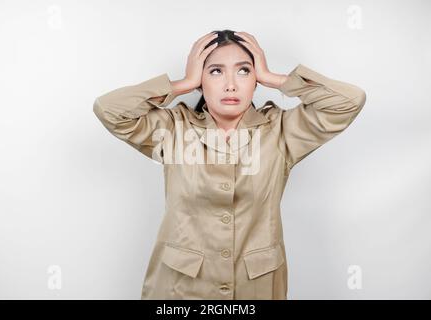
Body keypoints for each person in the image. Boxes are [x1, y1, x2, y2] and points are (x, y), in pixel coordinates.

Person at [93, 29, 366, 300]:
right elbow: (109, 110)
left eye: (244, 71)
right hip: (181, 289)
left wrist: (277, 79)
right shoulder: (173, 128)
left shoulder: (281, 130)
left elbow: (349, 101)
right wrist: (181, 84)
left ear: (255, 80)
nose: (231, 84)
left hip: (255, 287)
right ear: (201, 80)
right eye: (215, 71)